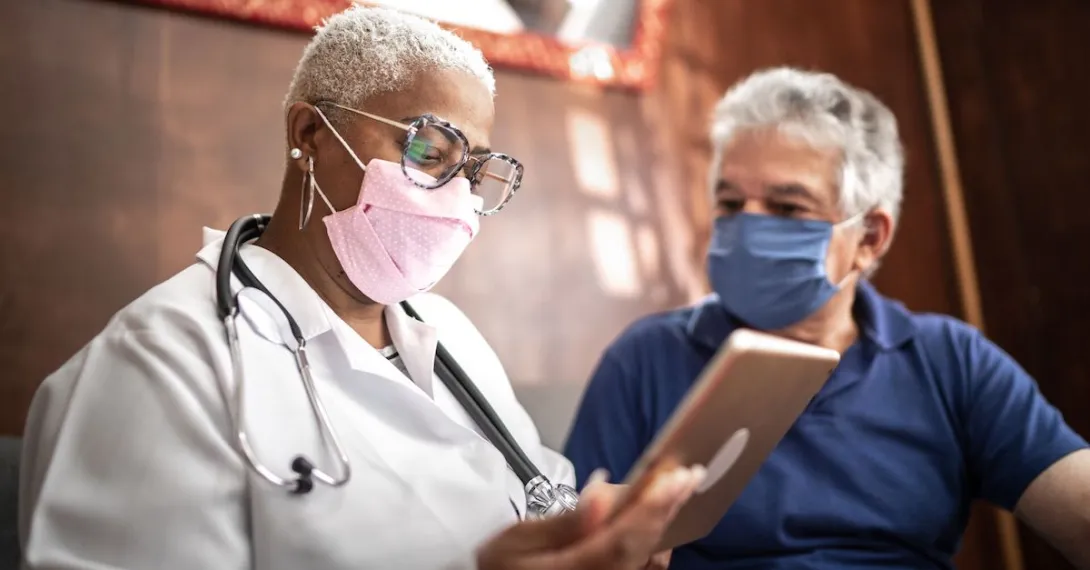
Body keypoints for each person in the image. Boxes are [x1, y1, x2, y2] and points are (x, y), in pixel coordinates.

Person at [17, 6, 704, 569]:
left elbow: (540, 499)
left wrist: (595, 545)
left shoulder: (451, 336)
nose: (458, 198)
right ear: (310, 134)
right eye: (429, 152)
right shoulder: (162, 362)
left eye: (474, 170)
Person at [564, 67, 1090, 570]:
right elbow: (568, 537)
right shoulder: (645, 359)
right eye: (729, 202)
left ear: (868, 238)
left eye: (788, 208)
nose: (746, 226)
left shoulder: (950, 360)